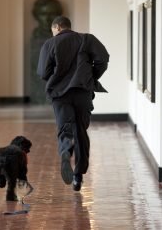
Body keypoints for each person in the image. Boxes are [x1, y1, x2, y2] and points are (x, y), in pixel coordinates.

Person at [37, 16, 109, 191]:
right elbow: (103, 59)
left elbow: (42, 72)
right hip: (82, 91)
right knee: (80, 131)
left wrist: (56, 78)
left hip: (60, 94)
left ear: (57, 27)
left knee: (65, 127)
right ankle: (78, 176)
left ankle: (65, 151)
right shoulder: (86, 39)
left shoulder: (50, 44)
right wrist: (90, 76)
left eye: (53, 30)